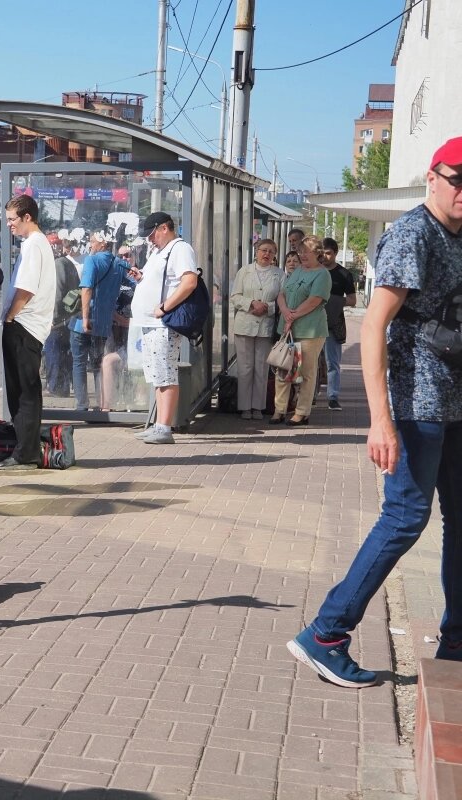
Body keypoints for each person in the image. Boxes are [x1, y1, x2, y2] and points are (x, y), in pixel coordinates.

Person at [288, 137, 462, 687]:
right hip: (417, 402)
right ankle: (326, 633)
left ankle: (456, 637)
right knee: (406, 518)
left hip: (455, 403)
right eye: (456, 179)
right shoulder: (415, 234)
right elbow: (374, 326)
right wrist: (379, 420)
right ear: (432, 178)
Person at [0, 195, 56, 470]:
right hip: (30, 326)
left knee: (22, 392)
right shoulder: (38, 244)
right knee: (25, 390)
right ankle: (26, 450)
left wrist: (9, 315)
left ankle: (25, 453)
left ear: (27, 217)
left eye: (12, 220)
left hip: (24, 326)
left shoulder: (33, 245)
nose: (9, 225)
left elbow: (26, 288)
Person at [129, 212, 199, 445]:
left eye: (151, 234)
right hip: (150, 322)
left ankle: (165, 426)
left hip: (162, 323)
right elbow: (161, 280)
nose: (150, 239)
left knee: (166, 373)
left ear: (163, 228)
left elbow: (189, 281)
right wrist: (141, 277)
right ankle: (159, 424)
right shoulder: (160, 251)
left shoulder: (179, 248)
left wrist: (165, 307)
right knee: (157, 375)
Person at [269, 235, 332, 426]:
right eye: (300, 251)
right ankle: (279, 409)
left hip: (310, 330)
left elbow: (315, 301)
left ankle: (302, 412)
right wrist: (286, 312)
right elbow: (282, 293)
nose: (302, 255)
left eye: (307, 252)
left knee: (306, 372)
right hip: (288, 328)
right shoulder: (297, 271)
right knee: (283, 368)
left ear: (318, 254)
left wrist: (292, 316)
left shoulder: (322, 274)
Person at [230, 239, 283, 420]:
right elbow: (235, 296)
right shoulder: (244, 272)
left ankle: (258, 407)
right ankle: (244, 406)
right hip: (244, 324)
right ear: (256, 251)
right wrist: (251, 303)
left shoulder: (279, 275)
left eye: (270, 251)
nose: (266, 254)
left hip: (265, 327)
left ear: (275, 255)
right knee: (245, 367)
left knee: (261, 367)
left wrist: (267, 307)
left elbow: (283, 301)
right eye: (263, 250)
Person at [69, 232, 123, 411]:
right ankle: (103, 404)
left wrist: (85, 318)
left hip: (84, 322)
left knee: (79, 362)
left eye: (92, 242)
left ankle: (82, 404)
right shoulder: (118, 263)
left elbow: (86, 290)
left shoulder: (92, 261)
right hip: (103, 324)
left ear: (102, 243)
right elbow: (136, 282)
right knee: (98, 363)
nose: (90, 245)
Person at [321, 236, 357, 410]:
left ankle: (332, 396)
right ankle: (308, 396)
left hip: (333, 323)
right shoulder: (314, 270)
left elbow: (352, 300)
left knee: (332, 362)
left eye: (328, 253)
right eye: (322, 253)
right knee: (311, 361)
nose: (325, 257)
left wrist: (333, 301)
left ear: (335, 253)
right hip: (312, 322)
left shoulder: (344, 274)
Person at [43, 238, 79, 399]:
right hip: (68, 316)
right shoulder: (67, 263)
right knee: (63, 353)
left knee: (54, 352)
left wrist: (53, 317)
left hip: (58, 320)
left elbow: (57, 294)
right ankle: (62, 386)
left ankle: (56, 387)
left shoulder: (58, 265)